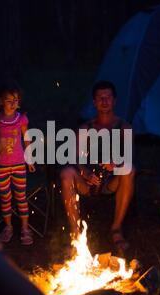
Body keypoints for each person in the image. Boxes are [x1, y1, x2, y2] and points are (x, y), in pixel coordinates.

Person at [60, 80, 135, 252]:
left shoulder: (124, 127)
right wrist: (84, 171)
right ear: (94, 102)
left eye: (108, 97)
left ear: (114, 100)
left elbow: (129, 156)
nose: (104, 101)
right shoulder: (86, 128)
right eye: (100, 98)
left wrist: (116, 164)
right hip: (88, 181)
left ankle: (116, 230)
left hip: (111, 181)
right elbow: (75, 156)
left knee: (129, 170)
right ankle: (75, 233)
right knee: (66, 173)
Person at [0, 83, 36, 245]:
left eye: (16, 100)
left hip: (19, 164)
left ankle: (25, 229)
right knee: (5, 198)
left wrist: (30, 159)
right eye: (9, 100)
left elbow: (27, 138)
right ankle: (8, 227)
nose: (13, 104)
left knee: (21, 196)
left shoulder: (21, 119)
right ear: (0, 102)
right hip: (1, 166)